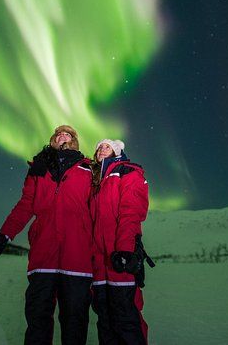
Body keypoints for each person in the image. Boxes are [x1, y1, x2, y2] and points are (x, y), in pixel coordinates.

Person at [0, 125, 94, 345]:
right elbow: (27, 203)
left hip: (77, 257)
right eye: (58, 134)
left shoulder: (89, 169)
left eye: (67, 134)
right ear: (52, 141)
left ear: (75, 141)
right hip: (43, 255)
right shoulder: (39, 168)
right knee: (38, 315)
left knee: (75, 318)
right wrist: (6, 232)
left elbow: (100, 207)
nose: (62, 136)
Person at [90, 139, 150, 345]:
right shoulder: (97, 181)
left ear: (117, 151)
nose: (101, 149)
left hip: (119, 256)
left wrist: (125, 250)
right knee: (104, 319)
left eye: (106, 146)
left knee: (125, 316)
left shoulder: (127, 172)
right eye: (99, 147)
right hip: (99, 262)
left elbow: (131, 212)